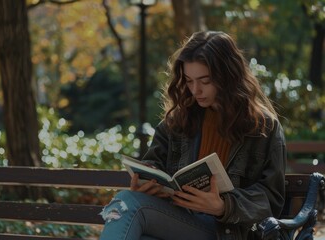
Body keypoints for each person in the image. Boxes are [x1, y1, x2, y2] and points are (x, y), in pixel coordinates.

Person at [99, 30, 286, 240]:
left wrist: (223, 206)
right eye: (189, 81)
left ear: (228, 77)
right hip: (180, 221)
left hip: (226, 232)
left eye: (205, 81)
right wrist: (148, 187)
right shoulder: (176, 122)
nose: (195, 90)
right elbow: (155, 167)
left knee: (128, 204)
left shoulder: (262, 126)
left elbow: (272, 199)